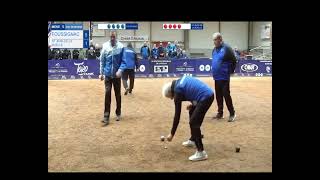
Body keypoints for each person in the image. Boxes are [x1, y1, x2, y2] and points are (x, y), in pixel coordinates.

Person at [162, 75, 214, 161]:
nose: (172, 99)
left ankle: (201, 152)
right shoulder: (179, 82)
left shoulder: (177, 91)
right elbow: (192, 90)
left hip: (205, 97)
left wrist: (172, 134)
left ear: (171, 92)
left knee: (194, 122)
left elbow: (177, 115)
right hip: (206, 95)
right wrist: (194, 103)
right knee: (191, 111)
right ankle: (193, 139)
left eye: (171, 97)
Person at [99, 31, 126, 126]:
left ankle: (118, 112)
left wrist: (120, 70)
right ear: (109, 37)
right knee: (107, 93)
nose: (112, 39)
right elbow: (102, 60)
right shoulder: (105, 46)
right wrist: (101, 73)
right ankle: (106, 116)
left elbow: (124, 61)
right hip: (107, 75)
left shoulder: (121, 46)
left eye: (114, 37)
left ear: (116, 37)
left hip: (116, 76)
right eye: (111, 37)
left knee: (117, 94)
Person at [211, 32, 237, 122]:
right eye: (213, 40)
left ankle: (232, 113)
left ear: (220, 39)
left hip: (224, 77)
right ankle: (220, 113)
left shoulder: (227, 48)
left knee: (226, 95)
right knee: (218, 96)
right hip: (216, 77)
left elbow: (234, 60)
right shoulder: (214, 50)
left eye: (215, 40)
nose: (214, 42)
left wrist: (231, 71)